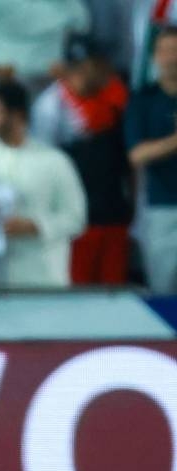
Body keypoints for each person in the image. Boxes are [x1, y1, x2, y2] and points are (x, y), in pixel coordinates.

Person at [0, 80, 87, 288]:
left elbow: (76, 218)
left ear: (18, 116)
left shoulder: (54, 161)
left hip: (41, 279)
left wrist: (35, 226)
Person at [32, 34, 133, 285]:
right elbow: (44, 163)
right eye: (80, 67)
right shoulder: (50, 105)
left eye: (97, 64)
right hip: (76, 216)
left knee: (115, 291)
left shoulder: (116, 95)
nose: (103, 70)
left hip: (112, 212)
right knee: (79, 291)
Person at [126, 25, 177, 293]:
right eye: (164, 51)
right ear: (155, 57)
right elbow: (137, 154)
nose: (170, 57)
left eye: (175, 50)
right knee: (164, 291)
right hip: (162, 208)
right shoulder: (144, 100)